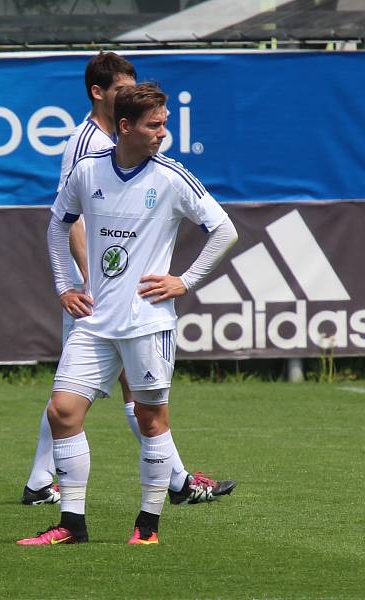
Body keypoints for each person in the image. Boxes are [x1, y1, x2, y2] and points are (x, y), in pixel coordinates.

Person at [18, 82, 239, 546]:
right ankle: (71, 524)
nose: (163, 133)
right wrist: (65, 286)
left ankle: (147, 527)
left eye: (164, 123)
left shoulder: (172, 176)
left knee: (150, 418)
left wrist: (185, 280)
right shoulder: (87, 170)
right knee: (63, 412)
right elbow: (57, 227)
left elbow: (224, 230)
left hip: (147, 321)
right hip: (95, 319)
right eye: (154, 124)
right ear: (125, 126)